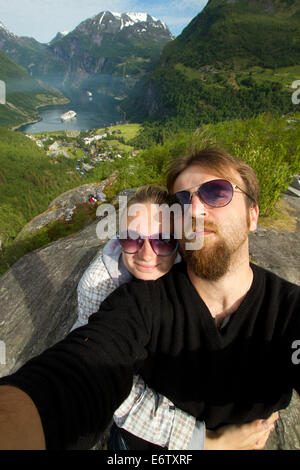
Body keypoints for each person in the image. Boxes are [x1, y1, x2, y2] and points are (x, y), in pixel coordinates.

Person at [0, 147, 298, 450]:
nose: (194, 210)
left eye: (217, 192)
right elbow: (87, 366)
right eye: (182, 201)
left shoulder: (289, 310)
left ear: (252, 215)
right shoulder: (134, 300)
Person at [73, 185, 275, 450]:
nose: (146, 254)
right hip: (139, 435)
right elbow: (113, 387)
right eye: (132, 239)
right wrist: (208, 442)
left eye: (163, 241)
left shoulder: (190, 261)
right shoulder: (99, 285)